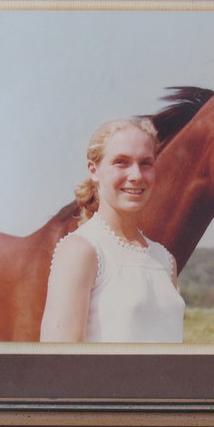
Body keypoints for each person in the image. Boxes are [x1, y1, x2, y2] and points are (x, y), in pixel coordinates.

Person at [39, 118, 185, 343]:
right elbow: (58, 363)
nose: (136, 175)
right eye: (121, 162)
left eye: (146, 163)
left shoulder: (165, 260)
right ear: (94, 170)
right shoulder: (81, 250)